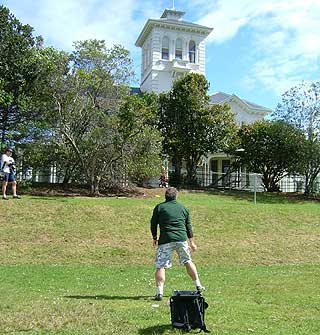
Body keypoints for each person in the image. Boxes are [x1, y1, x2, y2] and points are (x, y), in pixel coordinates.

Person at [150, 187, 204, 301]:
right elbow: (188, 226)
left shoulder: (159, 207)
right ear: (176, 196)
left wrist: (155, 238)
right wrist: (192, 242)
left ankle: (159, 292)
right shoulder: (183, 208)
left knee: (161, 265)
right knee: (188, 261)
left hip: (165, 239)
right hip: (181, 239)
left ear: (165, 196)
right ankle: (198, 285)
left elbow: (153, 224)